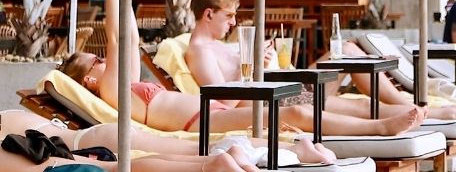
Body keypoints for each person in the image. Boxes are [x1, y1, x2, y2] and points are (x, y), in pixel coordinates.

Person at [58, 0, 421, 139]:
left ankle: (400, 115)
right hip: (198, 124)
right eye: (96, 60)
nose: (103, 61)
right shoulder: (110, 93)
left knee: (295, 108)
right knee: (290, 112)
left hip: (210, 113)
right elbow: (119, 38)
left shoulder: (128, 87)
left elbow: (131, 38)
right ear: (89, 77)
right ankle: (381, 127)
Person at [185, 0, 456, 121]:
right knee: (355, 106)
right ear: (208, 14)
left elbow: (246, 79)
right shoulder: (199, 50)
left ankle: (415, 104)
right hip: (271, 100)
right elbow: (224, 98)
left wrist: (263, 61)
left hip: (282, 86)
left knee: (348, 49)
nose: (234, 23)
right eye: (228, 16)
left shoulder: (219, 45)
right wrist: (248, 65)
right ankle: (437, 112)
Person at [0, 109, 335, 171]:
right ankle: (215, 161)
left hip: (62, 149)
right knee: (120, 168)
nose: (100, 61)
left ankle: (214, 163)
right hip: (64, 149)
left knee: (121, 169)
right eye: (94, 61)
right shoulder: (10, 118)